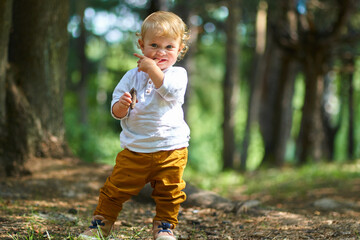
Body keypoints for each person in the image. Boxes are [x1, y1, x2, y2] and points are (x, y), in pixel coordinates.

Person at [79, 11, 191, 240]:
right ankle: (100, 226)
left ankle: (164, 228)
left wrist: (152, 69)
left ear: (179, 50)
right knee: (114, 189)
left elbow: (169, 91)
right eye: (154, 45)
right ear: (141, 45)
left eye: (169, 47)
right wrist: (122, 105)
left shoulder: (178, 74)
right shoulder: (131, 76)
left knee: (170, 192)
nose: (161, 52)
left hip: (171, 148)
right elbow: (116, 111)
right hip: (135, 149)